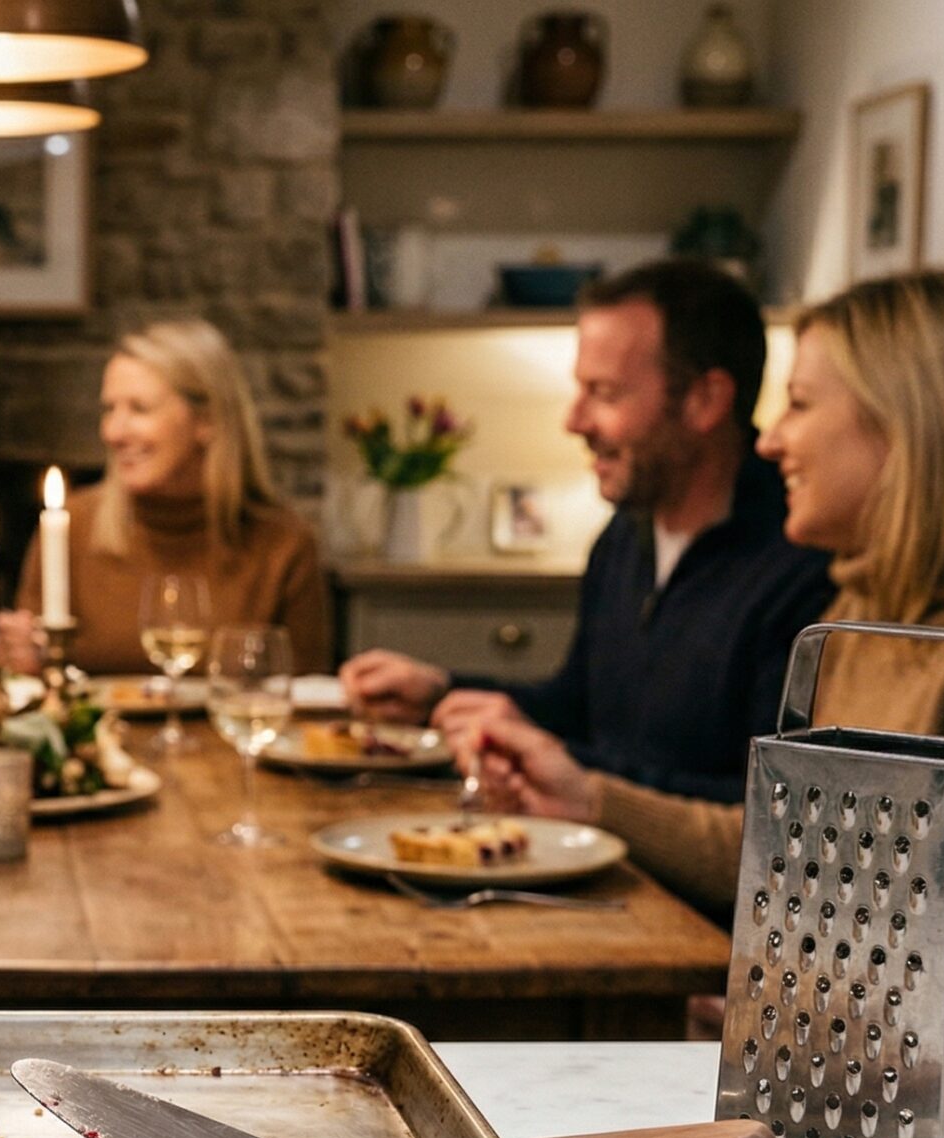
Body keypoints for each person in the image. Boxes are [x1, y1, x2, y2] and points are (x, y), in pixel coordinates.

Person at [461, 270, 944, 1038]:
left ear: (908, 429)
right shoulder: (864, 616)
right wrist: (593, 802)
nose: (770, 439)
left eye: (800, 406)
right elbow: (791, 845)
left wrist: (769, 1010)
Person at [338, 260, 835, 801]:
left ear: (704, 401)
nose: (574, 421)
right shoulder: (625, 535)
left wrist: (566, 765)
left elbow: (761, 809)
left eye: (604, 392)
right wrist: (440, 693)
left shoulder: (803, 560)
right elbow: (577, 709)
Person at [0, 319, 329, 674]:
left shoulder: (283, 544)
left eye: (139, 409)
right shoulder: (70, 526)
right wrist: (21, 662)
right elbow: (32, 689)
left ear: (208, 421)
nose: (113, 432)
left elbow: (309, 700)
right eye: (109, 409)